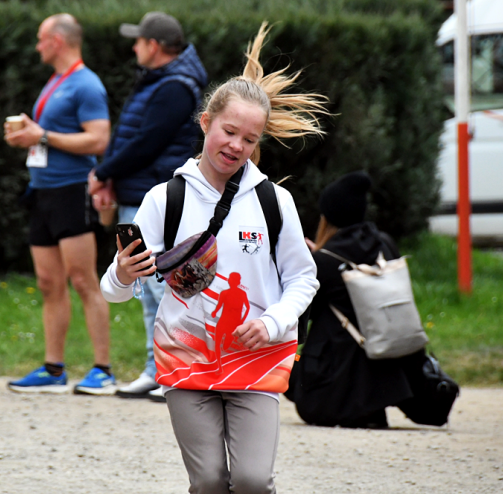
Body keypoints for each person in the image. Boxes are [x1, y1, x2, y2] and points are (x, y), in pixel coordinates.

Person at [100, 22, 326, 493]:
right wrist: (122, 274)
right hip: (186, 360)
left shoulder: (273, 202)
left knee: (251, 480)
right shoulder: (166, 199)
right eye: (228, 132)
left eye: (249, 139)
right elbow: (117, 292)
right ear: (205, 122)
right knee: (206, 482)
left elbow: (304, 279)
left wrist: (273, 323)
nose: (236, 147)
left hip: (256, 357)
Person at [88, 11, 208, 400]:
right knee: (145, 285)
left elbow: (146, 144)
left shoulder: (175, 86)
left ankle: (175, 370)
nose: (134, 46)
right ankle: (155, 370)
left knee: (162, 287)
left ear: (154, 46)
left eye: (138, 41)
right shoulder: (161, 81)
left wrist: (104, 172)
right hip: (139, 192)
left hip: (155, 198)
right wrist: (114, 179)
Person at [4, 13, 116, 395]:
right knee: (49, 283)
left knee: (84, 280)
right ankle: (54, 369)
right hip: (43, 192)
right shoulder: (56, 81)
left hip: (72, 192)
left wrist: (43, 135)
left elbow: (99, 140)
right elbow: (48, 136)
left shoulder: (87, 84)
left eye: (41, 38)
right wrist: (28, 134)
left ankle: (103, 369)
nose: (36, 46)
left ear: (58, 40)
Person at [285, 171, 431, 429]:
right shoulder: (385, 245)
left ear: (328, 217)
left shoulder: (324, 261)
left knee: (288, 356)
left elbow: (299, 320)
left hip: (332, 389)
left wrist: (312, 264)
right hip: (384, 375)